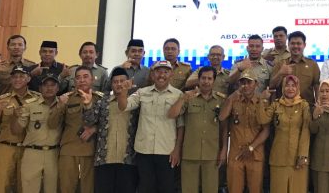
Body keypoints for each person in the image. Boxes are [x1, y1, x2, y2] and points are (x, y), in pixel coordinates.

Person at [117, 60, 183, 193]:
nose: (161, 75)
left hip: (167, 151)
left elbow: (180, 125)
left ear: (171, 75)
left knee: (167, 188)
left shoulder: (178, 95)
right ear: (152, 75)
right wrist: (123, 91)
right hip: (144, 150)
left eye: (166, 72)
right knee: (146, 187)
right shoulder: (142, 92)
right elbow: (123, 106)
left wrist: (177, 149)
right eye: (158, 71)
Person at [168, 66, 226, 193]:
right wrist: (183, 98)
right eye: (203, 78)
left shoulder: (221, 100)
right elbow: (172, 114)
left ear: (214, 81)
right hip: (190, 153)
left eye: (209, 79)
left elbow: (224, 128)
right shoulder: (189, 97)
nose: (206, 81)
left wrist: (223, 150)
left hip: (212, 154)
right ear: (198, 80)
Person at [83, 67, 138, 193]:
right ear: (111, 84)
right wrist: (87, 105)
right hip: (104, 159)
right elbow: (89, 121)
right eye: (115, 82)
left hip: (128, 159)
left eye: (122, 81)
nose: (119, 84)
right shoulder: (102, 101)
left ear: (128, 82)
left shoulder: (135, 102)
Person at [257, 75, 311, 193]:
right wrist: (263, 100)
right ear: (283, 88)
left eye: (293, 86)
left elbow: (306, 130)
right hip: (279, 158)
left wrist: (303, 155)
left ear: (298, 88)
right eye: (287, 85)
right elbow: (262, 120)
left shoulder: (304, 105)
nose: (290, 88)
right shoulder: (276, 104)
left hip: (298, 159)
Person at [219, 71, 271, 193]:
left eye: (249, 82)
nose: (245, 85)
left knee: (255, 189)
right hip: (236, 153)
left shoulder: (262, 102)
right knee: (234, 189)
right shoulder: (233, 100)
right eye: (242, 82)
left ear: (256, 84)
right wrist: (231, 98)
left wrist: (251, 147)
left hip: (255, 153)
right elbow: (222, 117)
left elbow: (266, 130)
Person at [55, 66, 103, 193]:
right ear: (74, 81)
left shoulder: (100, 99)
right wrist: (60, 106)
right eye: (78, 77)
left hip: (91, 151)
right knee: (66, 188)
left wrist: (94, 129)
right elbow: (52, 124)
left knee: (88, 189)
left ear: (92, 79)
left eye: (85, 77)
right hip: (69, 150)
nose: (82, 80)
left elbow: (107, 123)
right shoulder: (67, 98)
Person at [0, 66, 39, 193]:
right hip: (6, 147)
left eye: (21, 76)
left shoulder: (38, 99)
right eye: (14, 76)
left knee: (24, 186)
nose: (17, 79)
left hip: (28, 149)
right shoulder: (2, 100)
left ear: (28, 79)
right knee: (0, 186)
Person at [16, 73, 64, 193]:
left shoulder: (64, 104)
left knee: (52, 189)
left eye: (52, 85)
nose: (49, 88)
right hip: (32, 152)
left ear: (58, 88)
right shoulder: (30, 105)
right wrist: (14, 117)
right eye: (45, 85)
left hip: (54, 153)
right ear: (40, 88)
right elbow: (17, 130)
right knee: (29, 189)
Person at [270, 31, 320, 103]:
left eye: (298, 43)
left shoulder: (312, 64)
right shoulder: (281, 64)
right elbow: (271, 86)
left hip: (308, 107)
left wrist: (318, 104)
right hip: (284, 107)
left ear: (304, 45)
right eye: (292, 43)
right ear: (288, 45)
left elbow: (317, 86)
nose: (295, 46)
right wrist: (280, 73)